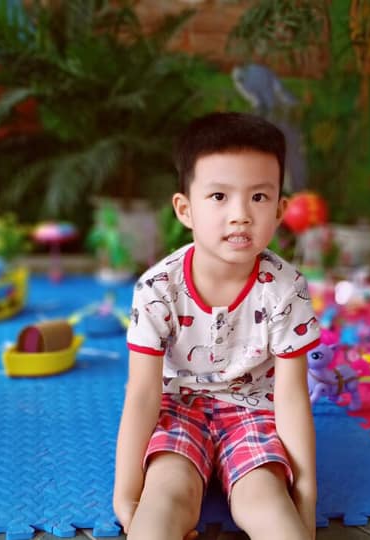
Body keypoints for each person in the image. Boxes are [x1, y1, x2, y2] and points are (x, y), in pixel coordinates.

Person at [114, 112, 320, 540]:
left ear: (280, 209)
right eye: (219, 196)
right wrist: (126, 497)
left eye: (258, 197)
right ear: (185, 209)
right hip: (179, 411)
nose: (240, 215)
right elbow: (143, 394)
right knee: (164, 502)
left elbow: (291, 396)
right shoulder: (157, 288)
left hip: (253, 415)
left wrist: (305, 502)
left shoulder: (286, 289)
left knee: (270, 509)